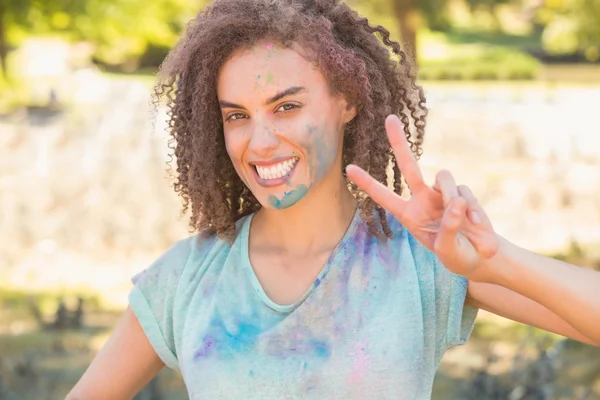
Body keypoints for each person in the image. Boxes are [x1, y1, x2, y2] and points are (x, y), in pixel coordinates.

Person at [67, 0, 600, 399]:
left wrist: (499, 261)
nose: (260, 141)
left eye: (286, 106)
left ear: (346, 100)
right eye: (237, 116)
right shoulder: (187, 278)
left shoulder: (423, 261)